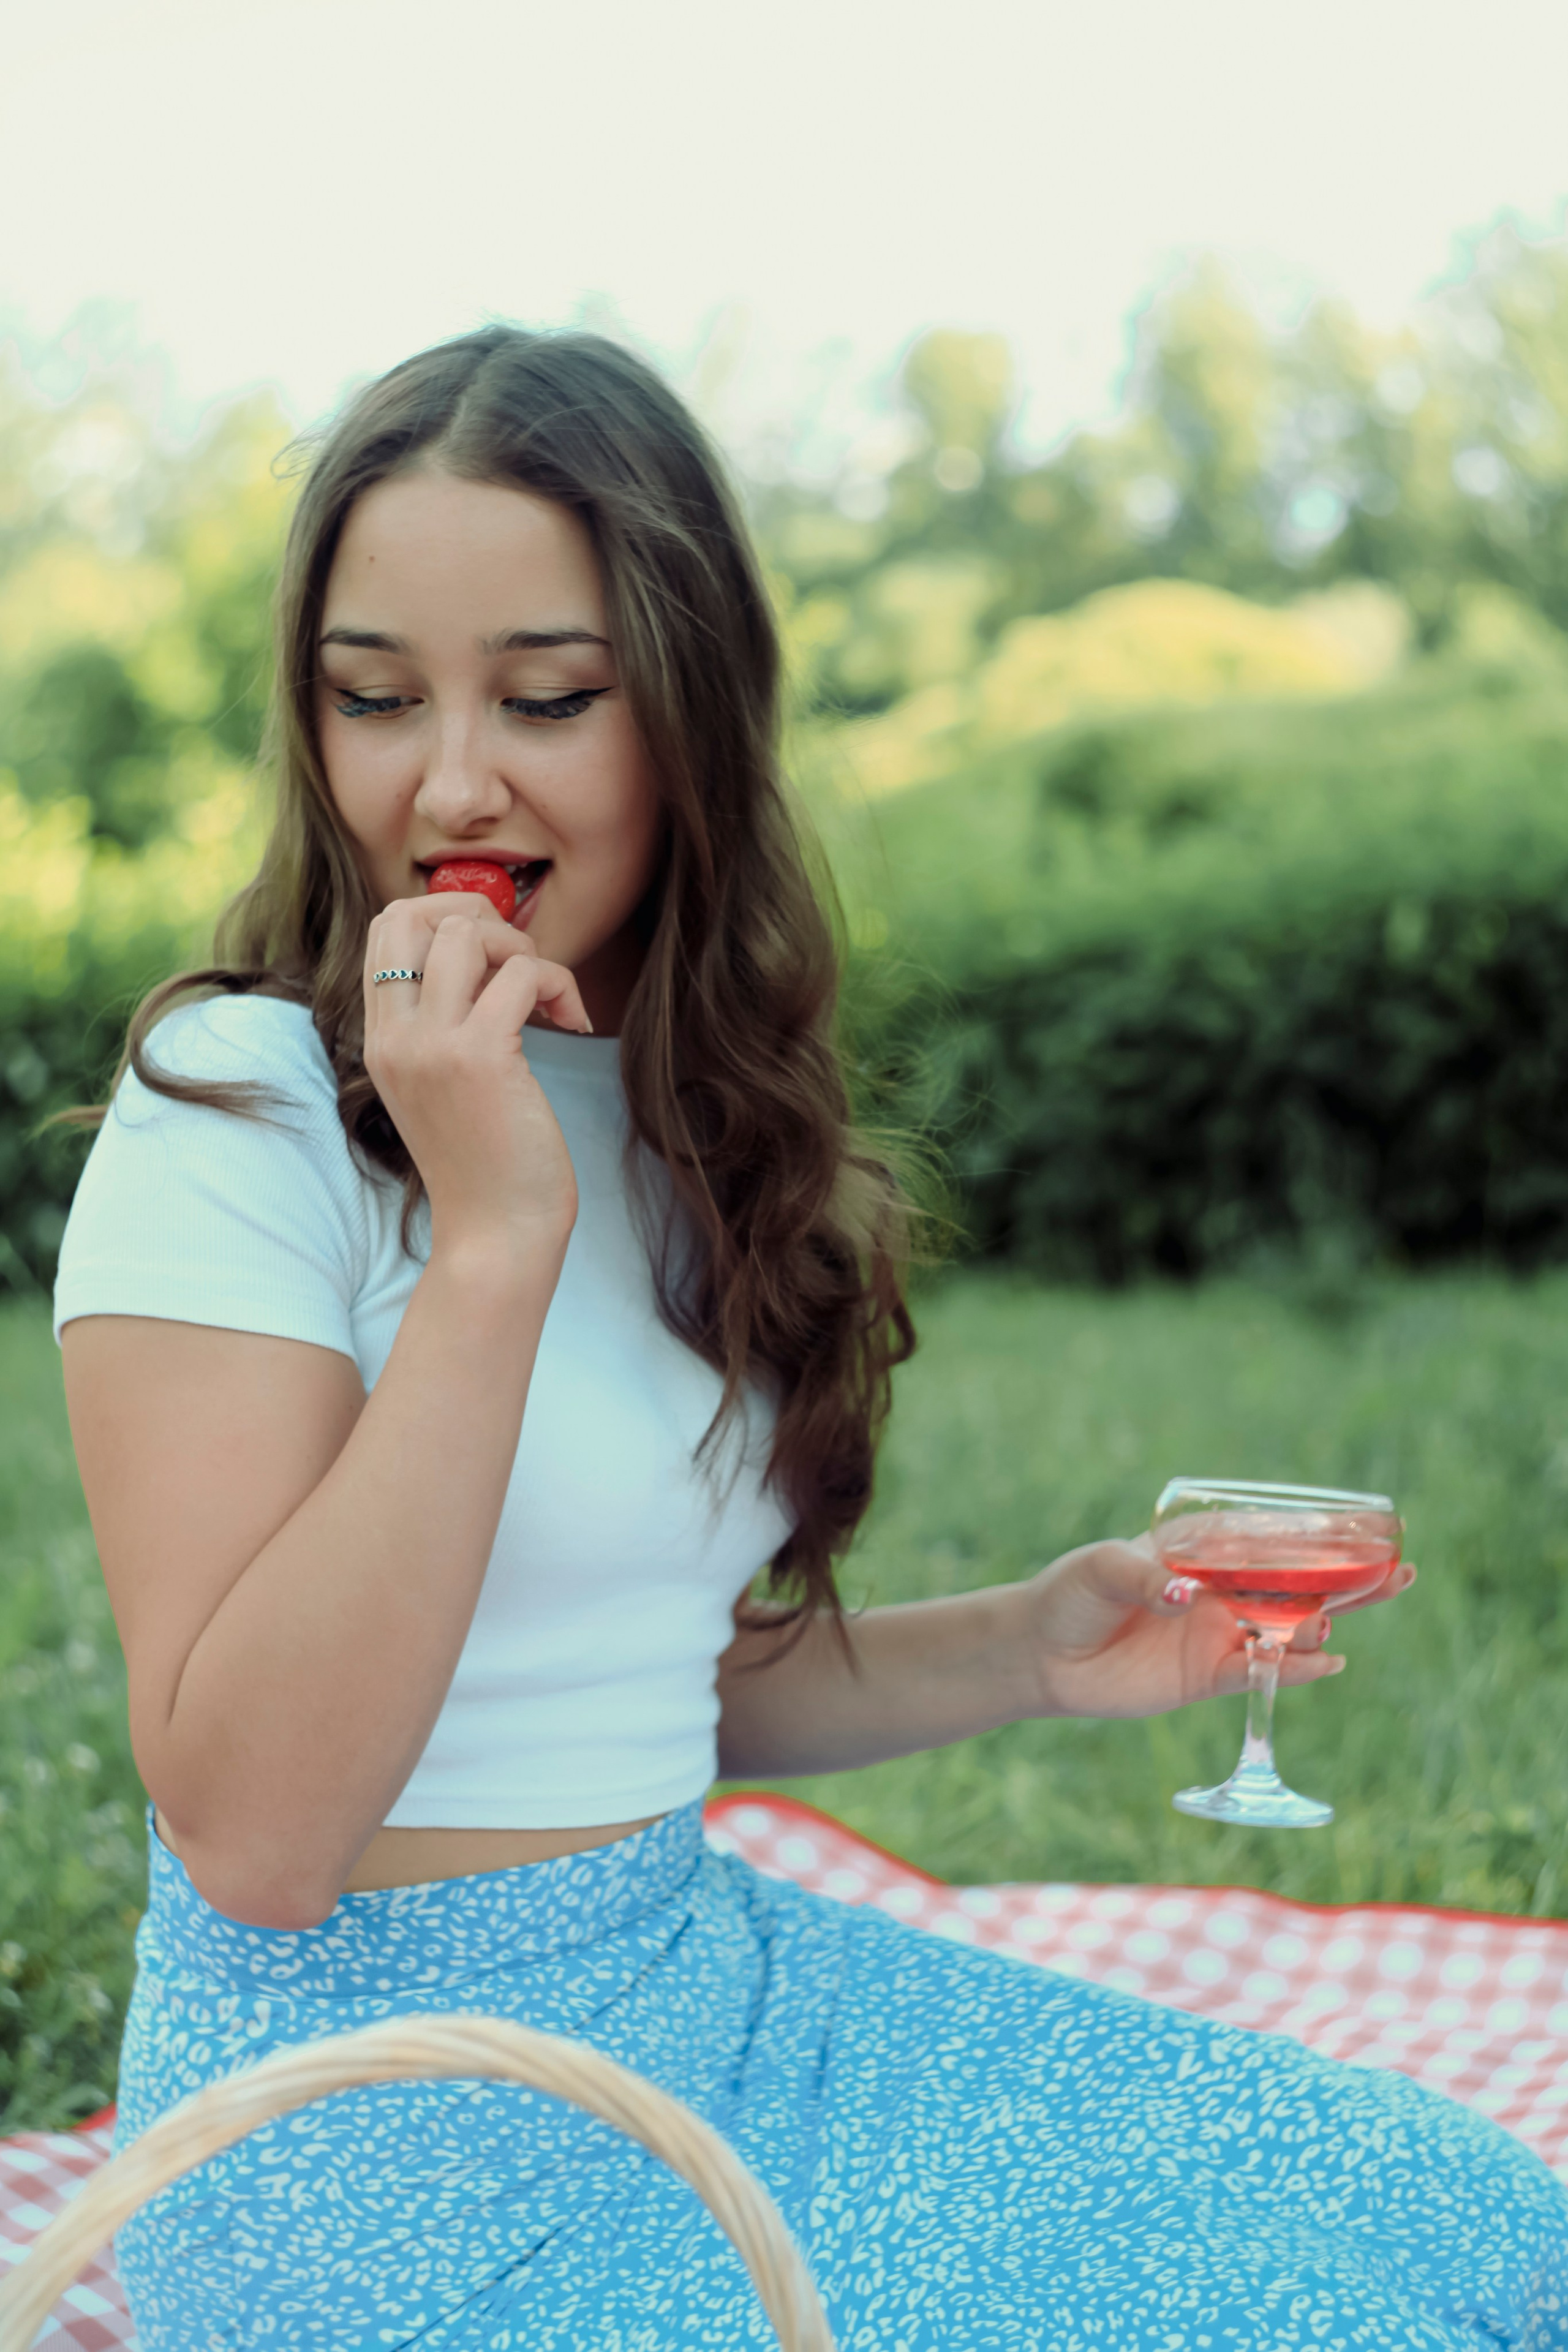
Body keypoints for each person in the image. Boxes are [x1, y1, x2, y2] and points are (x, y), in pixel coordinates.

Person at [54, 326, 1567, 2351]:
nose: (451, 782)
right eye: (373, 698)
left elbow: (629, 1681)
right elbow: (255, 1829)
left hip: (704, 1986)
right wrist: (492, 1235)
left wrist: (1027, 1646)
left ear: (686, 713)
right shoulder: (239, 1101)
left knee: (1456, 2223)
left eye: (550, 696)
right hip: (373, 2153)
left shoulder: (673, 1097)